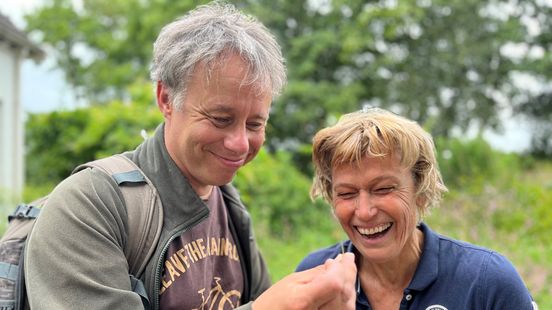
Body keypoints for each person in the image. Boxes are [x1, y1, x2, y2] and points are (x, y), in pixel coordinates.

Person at [24, 2, 356, 310]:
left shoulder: (229, 206)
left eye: (255, 123)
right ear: (166, 99)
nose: (240, 144)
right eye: (220, 119)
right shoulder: (89, 207)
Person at [296, 108, 538, 309]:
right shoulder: (314, 276)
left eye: (383, 189)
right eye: (347, 194)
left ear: (420, 190)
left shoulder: (486, 283)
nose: (365, 211)